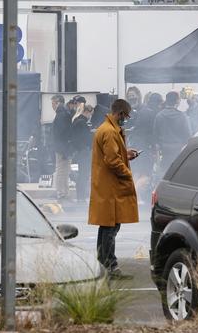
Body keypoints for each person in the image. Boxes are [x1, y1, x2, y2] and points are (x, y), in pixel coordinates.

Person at [88, 99, 139, 279]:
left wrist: (126, 154)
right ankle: (111, 267)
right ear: (120, 114)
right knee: (111, 227)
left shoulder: (106, 129)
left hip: (106, 185)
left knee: (106, 227)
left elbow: (113, 155)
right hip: (110, 187)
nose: (126, 120)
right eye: (126, 116)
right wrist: (128, 173)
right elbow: (112, 161)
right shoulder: (109, 132)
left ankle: (103, 264)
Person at [130, 92, 163, 203]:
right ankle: (133, 196)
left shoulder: (143, 110)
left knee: (137, 172)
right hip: (144, 148)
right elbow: (152, 133)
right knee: (146, 174)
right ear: (157, 103)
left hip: (136, 147)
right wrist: (154, 147)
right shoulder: (152, 113)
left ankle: (135, 198)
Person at [154, 91, 192, 178]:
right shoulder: (182, 116)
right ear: (177, 101)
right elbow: (188, 136)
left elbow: (155, 136)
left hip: (164, 153)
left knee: (164, 177)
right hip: (179, 153)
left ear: (167, 101)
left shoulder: (159, 116)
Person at [71, 104, 94, 203]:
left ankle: (80, 196)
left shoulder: (77, 120)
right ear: (87, 112)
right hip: (84, 152)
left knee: (82, 173)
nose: (90, 117)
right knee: (84, 174)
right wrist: (92, 134)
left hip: (79, 151)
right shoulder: (82, 122)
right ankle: (81, 197)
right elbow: (86, 138)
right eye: (90, 114)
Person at [51, 94, 72, 200]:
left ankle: (61, 192)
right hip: (65, 147)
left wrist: (63, 149)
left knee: (61, 170)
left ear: (58, 102)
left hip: (62, 147)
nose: (52, 106)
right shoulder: (65, 113)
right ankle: (65, 192)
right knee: (65, 170)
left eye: (53, 103)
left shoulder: (61, 114)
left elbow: (60, 133)